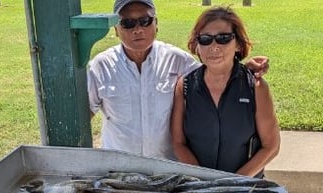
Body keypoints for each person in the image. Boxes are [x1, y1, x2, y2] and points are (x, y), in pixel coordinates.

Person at [88, 0, 269, 161]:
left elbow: (214, 72)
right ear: (116, 30)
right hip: (119, 169)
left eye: (145, 21)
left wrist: (244, 68)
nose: (138, 29)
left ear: (156, 24)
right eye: (127, 23)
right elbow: (83, 114)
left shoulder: (177, 60)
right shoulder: (100, 67)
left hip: (168, 170)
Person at [170, 6, 280, 178]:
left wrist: (234, 182)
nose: (214, 46)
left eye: (223, 38)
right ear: (197, 45)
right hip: (199, 188)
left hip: (246, 188)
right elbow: (178, 143)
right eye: (205, 39)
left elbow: (271, 146)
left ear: (237, 44)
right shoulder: (184, 87)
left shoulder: (256, 87)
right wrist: (203, 181)